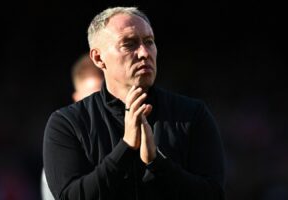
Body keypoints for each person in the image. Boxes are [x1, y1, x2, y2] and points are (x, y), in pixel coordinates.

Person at [43, 6, 226, 200]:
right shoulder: (67, 123)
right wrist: (125, 148)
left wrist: (157, 164)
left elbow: (213, 194)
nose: (145, 53)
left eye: (149, 42)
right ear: (98, 58)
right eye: (129, 44)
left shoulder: (192, 115)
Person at [41, 53, 104, 200]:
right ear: (76, 99)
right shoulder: (58, 158)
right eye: (89, 99)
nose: (97, 106)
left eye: (103, 97)